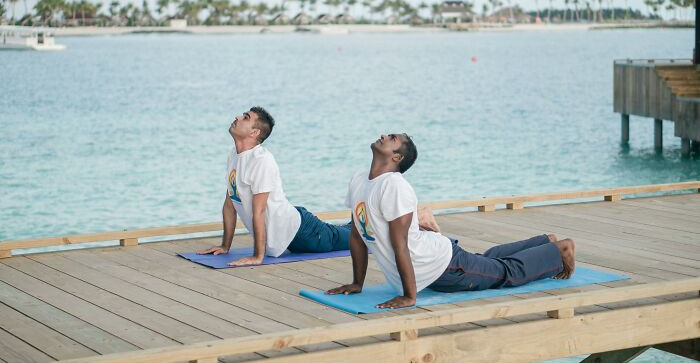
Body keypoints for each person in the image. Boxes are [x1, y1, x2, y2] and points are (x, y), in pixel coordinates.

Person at [328, 133, 576, 309]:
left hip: (441, 267)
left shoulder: (393, 186)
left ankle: (558, 250)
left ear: (397, 158)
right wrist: (356, 283)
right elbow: (357, 237)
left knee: (503, 273)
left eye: (392, 138)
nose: (383, 136)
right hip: (435, 261)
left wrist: (409, 296)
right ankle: (544, 242)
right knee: (484, 262)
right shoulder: (360, 180)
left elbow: (400, 244)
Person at [198, 107, 351, 266]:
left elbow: (260, 211)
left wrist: (257, 257)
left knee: (356, 236)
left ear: (254, 132)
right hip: (289, 219)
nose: (237, 117)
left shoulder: (261, 160)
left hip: (303, 233)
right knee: (347, 230)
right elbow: (230, 204)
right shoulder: (234, 155)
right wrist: (225, 246)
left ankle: (372, 222)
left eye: (245, 117)